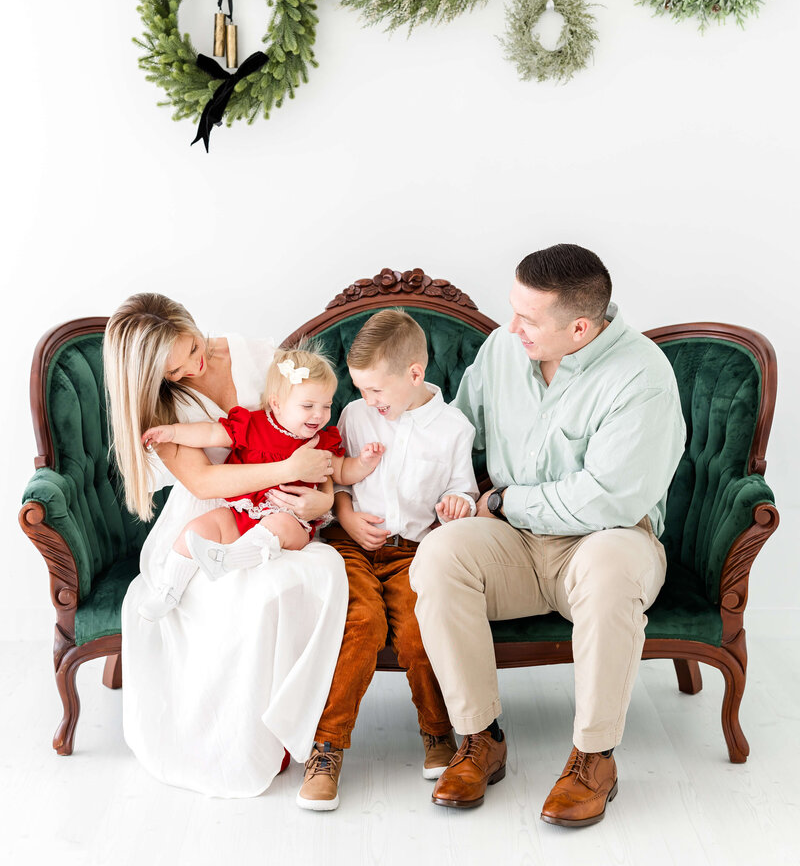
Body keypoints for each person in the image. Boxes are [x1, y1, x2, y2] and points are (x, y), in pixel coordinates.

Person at [409, 245, 686, 828]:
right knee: (439, 557)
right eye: (513, 310)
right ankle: (479, 739)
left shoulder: (643, 377)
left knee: (611, 569)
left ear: (580, 327)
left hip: (605, 540)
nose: (511, 327)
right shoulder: (506, 349)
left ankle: (593, 757)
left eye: (527, 318)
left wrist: (505, 501)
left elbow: (606, 497)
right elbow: (458, 427)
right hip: (514, 542)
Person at [104, 293, 350, 798]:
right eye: (175, 371)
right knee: (242, 597)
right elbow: (204, 483)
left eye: (192, 347)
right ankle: (236, 740)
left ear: (192, 325)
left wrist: (316, 496)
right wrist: (288, 471)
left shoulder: (256, 356)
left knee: (303, 576)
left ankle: (280, 733)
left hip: (281, 510)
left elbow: (316, 441)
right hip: (212, 518)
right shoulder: (161, 404)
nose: (193, 367)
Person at [297, 309, 480, 812]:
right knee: (362, 626)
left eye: (377, 391)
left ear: (415, 374)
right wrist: (347, 515)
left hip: (414, 553)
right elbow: (332, 476)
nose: (369, 401)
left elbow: (462, 489)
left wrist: (457, 504)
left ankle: (438, 733)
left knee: (421, 634)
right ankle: (327, 747)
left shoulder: (453, 429)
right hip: (350, 545)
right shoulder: (357, 416)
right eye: (362, 390)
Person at [137, 346, 385, 619]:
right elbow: (210, 433)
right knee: (197, 528)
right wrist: (172, 432)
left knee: (279, 525)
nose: (319, 415)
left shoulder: (321, 441)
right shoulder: (253, 425)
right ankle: (169, 591)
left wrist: (363, 463)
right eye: (308, 406)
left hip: (292, 521)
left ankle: (229, 559)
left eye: (326, 406)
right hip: (242, 512)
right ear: (277, 404)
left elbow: (341, 472)